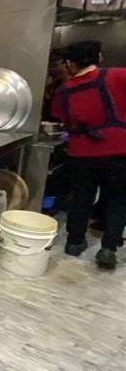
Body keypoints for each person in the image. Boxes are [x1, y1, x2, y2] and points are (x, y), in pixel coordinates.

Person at [50, 40, 126, 269]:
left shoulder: (66, 89)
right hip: (119, 148)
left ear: (71, 64)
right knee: (117, 200)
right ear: (99, 57)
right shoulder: (118, 75)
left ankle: (74, 243)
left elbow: (59, 118)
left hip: (82, 151)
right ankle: (108, 247)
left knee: (81, 198)